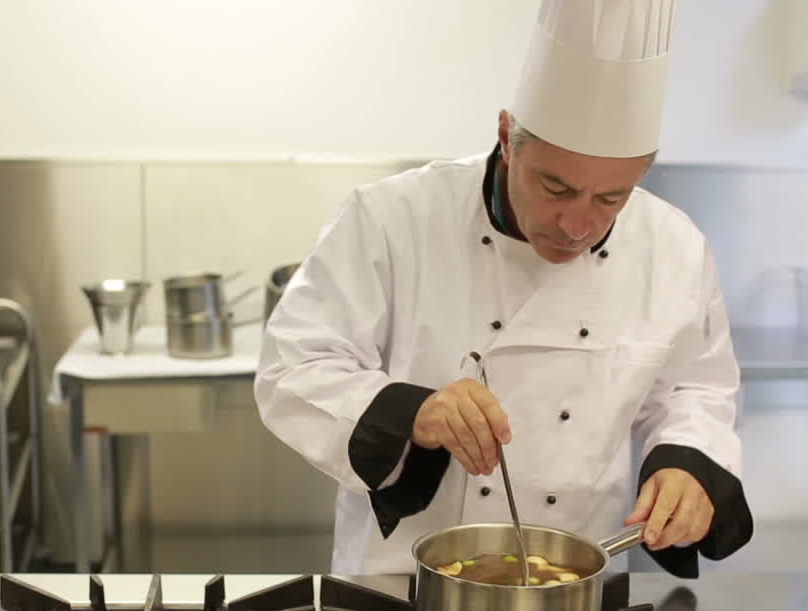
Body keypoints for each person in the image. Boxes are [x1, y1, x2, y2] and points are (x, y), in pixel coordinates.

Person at [254, 0, 753, 577]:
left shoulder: (674, 248)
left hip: (573, 591)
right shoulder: (392, 219)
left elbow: (697, 389)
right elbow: (292, 366)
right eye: (555, 187)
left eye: (611, 199)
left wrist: (688, 466)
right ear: (507, 139)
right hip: (397, 583)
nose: (578, 226)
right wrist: (412, 411)